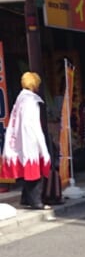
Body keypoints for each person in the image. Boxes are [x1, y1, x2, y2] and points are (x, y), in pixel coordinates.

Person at [0, 71, 51, 209]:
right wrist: (40, 145)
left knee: (26, 172)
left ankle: (26, 199)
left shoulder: (20, 99)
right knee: (34, 172)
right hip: (29, 141)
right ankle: (36, 202)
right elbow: (30, 124)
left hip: (18, 140)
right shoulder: (30, 100)